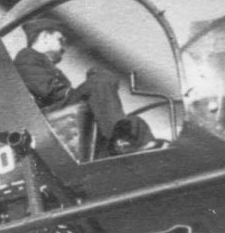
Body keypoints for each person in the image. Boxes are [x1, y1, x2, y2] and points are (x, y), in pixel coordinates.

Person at [13, 17, 151, 155]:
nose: (63, 48)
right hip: (48, 121)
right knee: (99, 79)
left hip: (61, 112)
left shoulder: (39, 62)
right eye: (60, 40)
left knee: (134, 123)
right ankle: (119, 138)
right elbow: (49, 92)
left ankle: (139, 145)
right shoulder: (26, 57)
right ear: (45, 37)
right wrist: (87, 92)